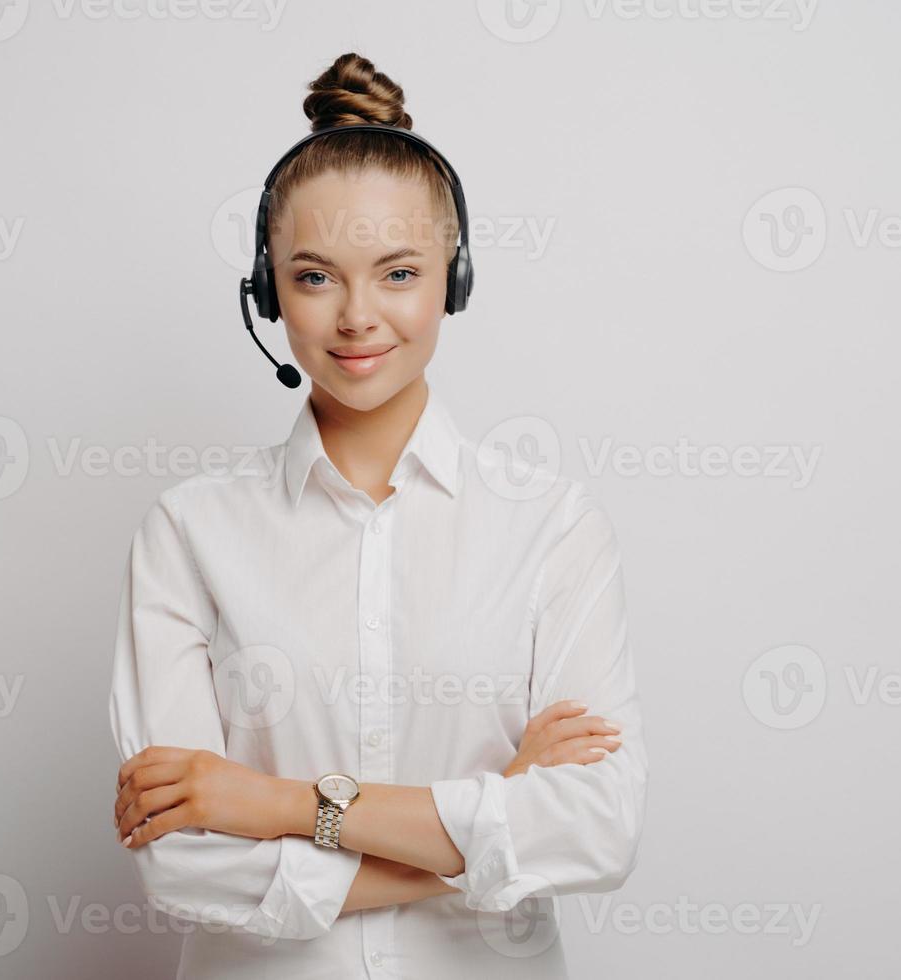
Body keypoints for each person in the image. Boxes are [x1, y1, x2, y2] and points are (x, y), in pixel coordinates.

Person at [109, 51, 648, 979]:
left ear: (455, 278)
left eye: (397, 272)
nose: (358, 316)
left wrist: (277, 804)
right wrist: (490, 819)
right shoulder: (188, 533)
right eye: (315, 277)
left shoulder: (552, 526)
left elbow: (598, 832)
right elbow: (183, 861)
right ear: (268, 290)